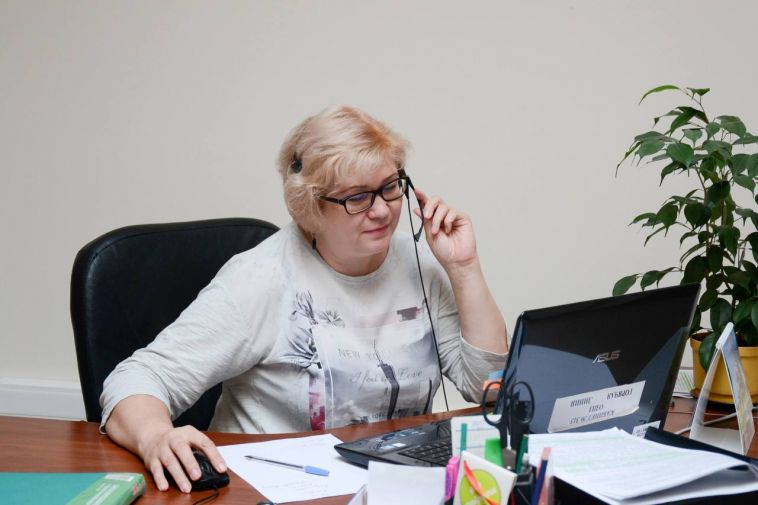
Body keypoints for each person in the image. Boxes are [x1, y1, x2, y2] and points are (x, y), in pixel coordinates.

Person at [100, 105, 508, 493]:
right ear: (310, 206)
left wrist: (464, 267)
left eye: (389, 187)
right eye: (358, 197)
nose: (383, 211)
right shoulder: (262, 278)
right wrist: (156, 436)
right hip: (269, 489)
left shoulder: (420, 263)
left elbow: (489, 388)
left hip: (392, 486)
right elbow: (135, 379)